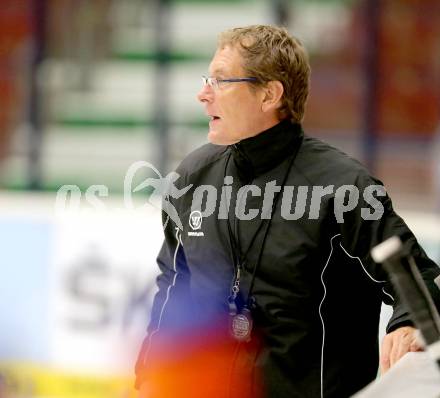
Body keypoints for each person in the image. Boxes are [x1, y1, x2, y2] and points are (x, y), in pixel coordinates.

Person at [135, 25, 440, 398]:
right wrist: (148, 379)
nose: (203, 95)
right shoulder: (192, 178)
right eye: (206, 80)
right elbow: (172, 290)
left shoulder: (343, 187)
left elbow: (417, 278)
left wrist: (408, 324)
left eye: (220, 81)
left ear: (270, 94)